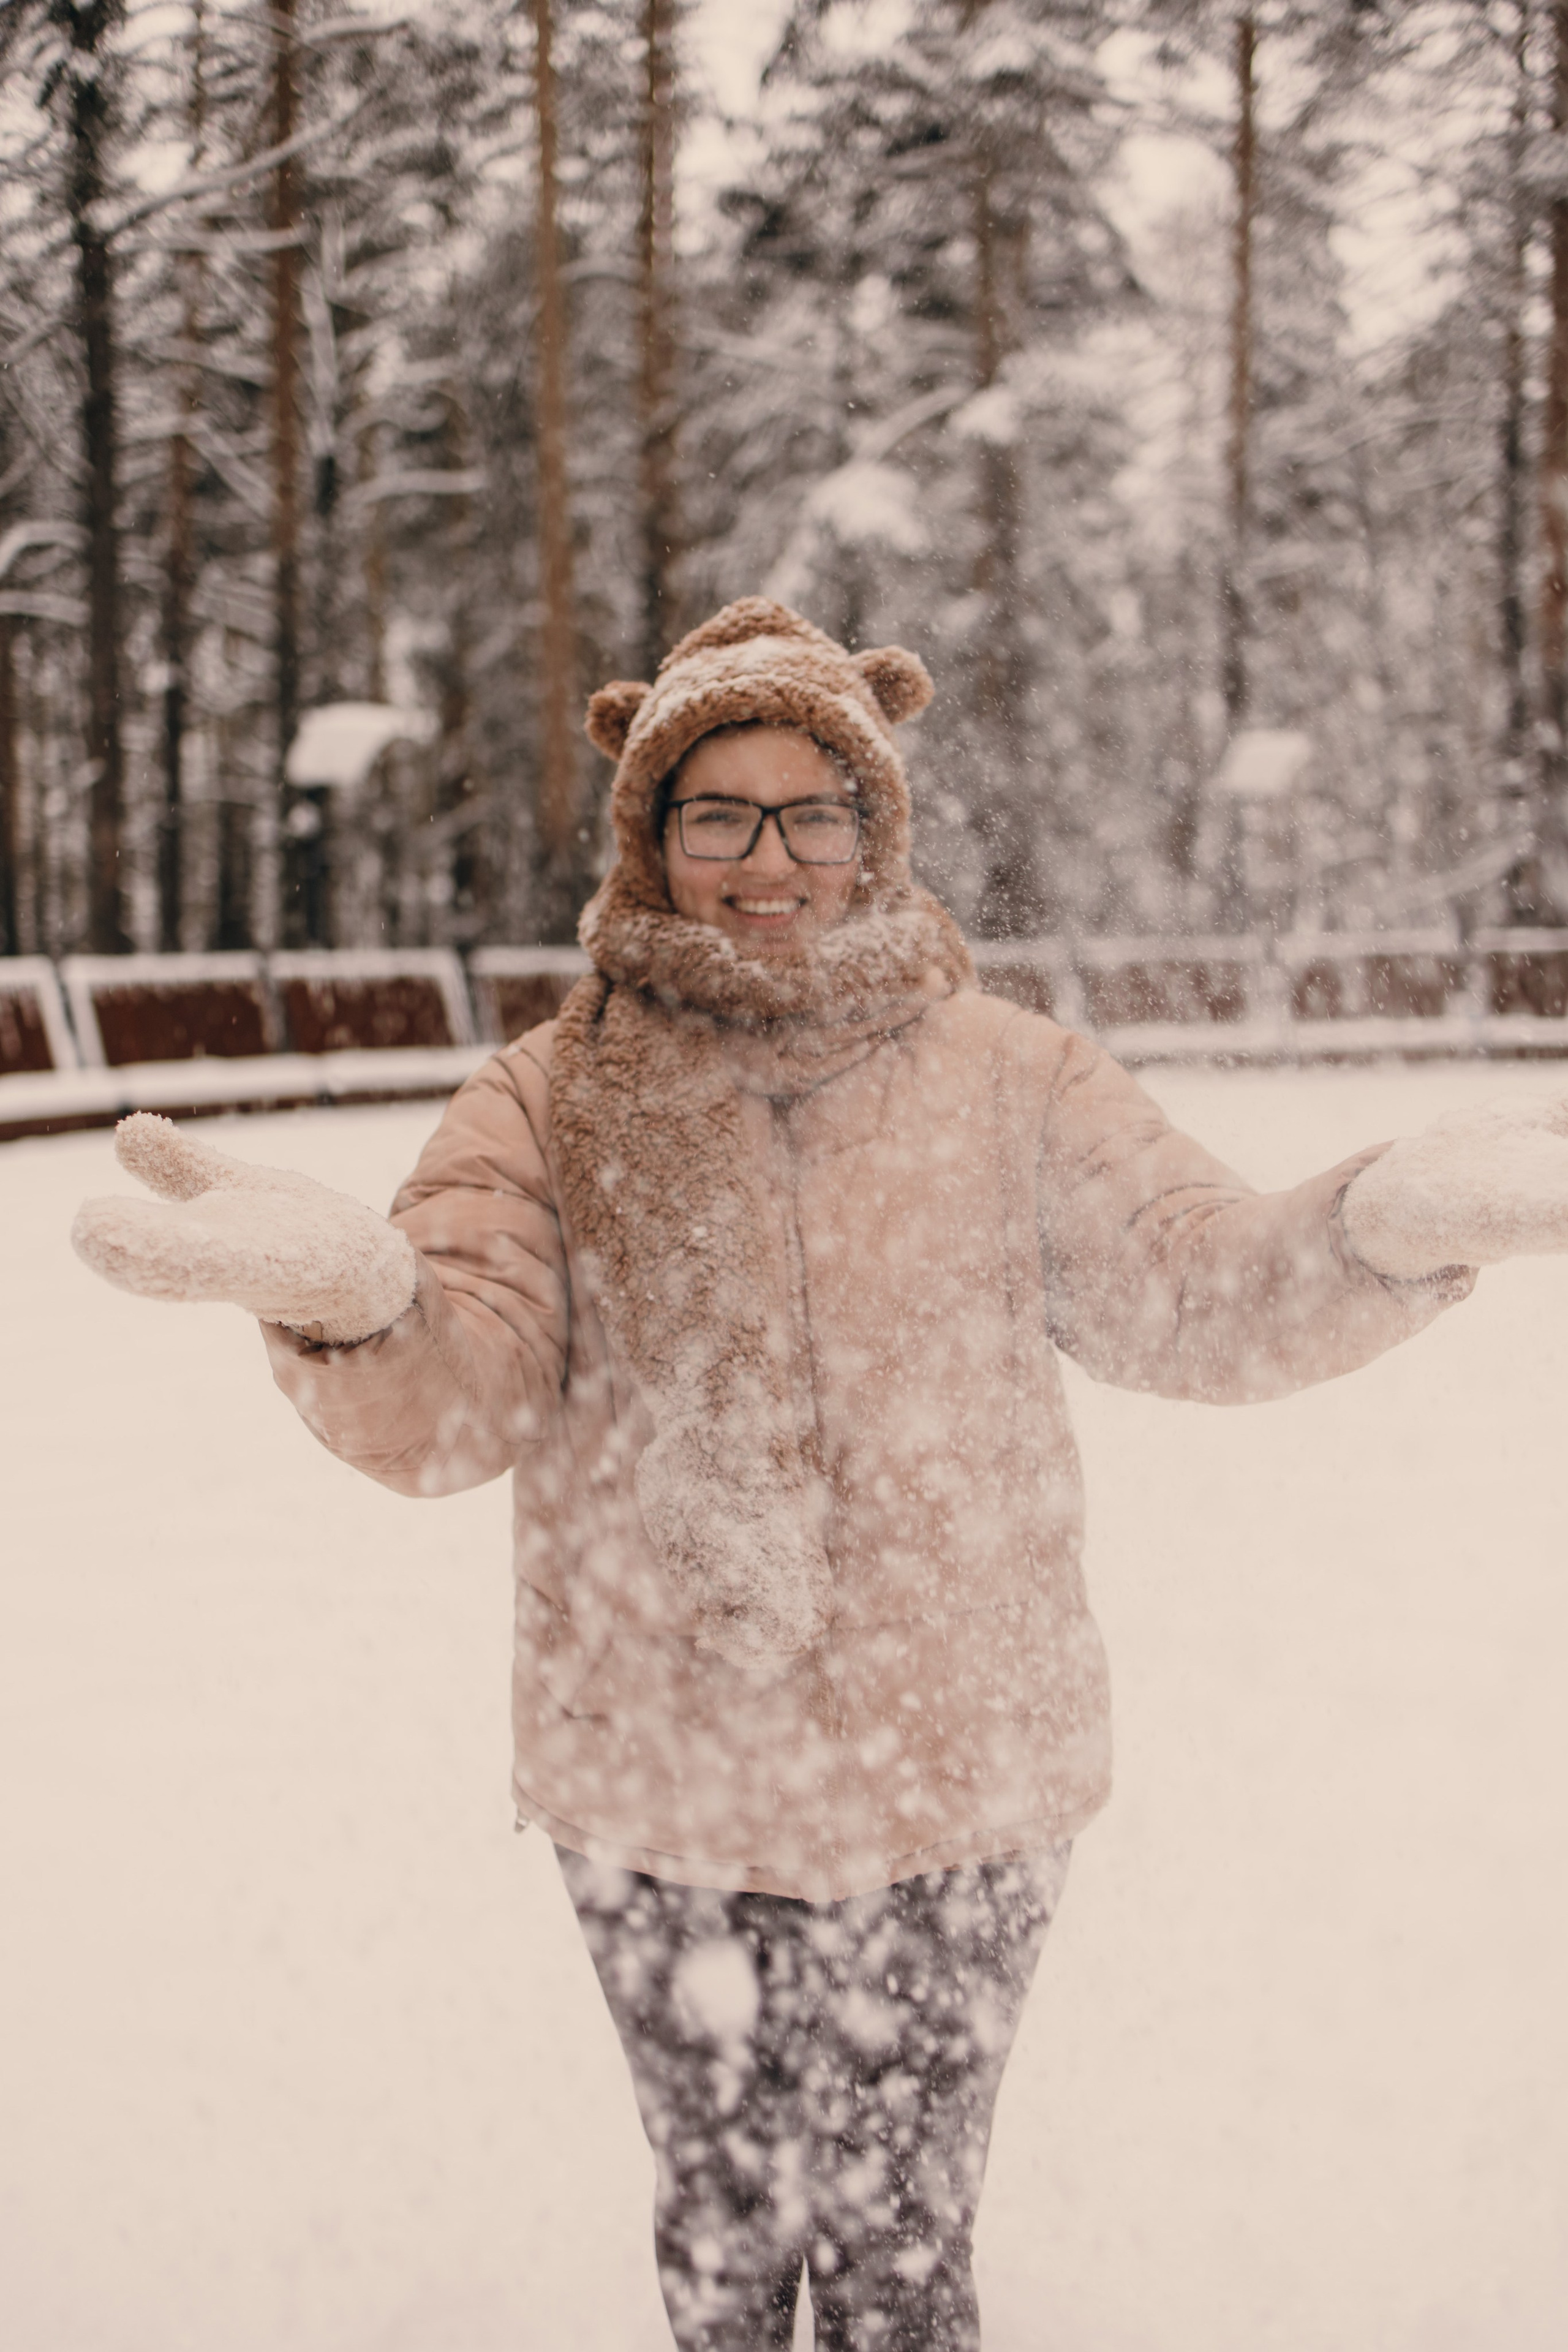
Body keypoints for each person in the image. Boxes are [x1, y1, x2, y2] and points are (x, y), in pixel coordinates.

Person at [72, 597, 1568, 2351]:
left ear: (875, 827)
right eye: (717, 813)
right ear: (652, 834)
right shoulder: (546, 1102)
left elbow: (1192, 1284)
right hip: (662, 1798)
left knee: (904, 2255)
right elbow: (462, 1401)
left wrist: (1367, 1233)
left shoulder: (1013, 1082)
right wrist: (364, 1312)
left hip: (961, 1782)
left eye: (813, 810)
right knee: (723, 2246)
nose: (766, 859)